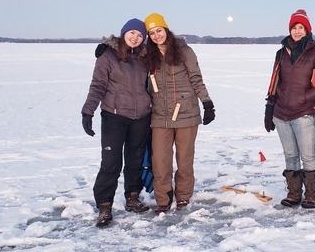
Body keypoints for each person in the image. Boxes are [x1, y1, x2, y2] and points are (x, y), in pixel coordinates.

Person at [81, 18, 152, 227]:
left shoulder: (145, 57)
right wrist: (88, 112)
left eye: (140, 35)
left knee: (135, 160)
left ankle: (132, 197)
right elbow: (97, 86)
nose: (135, 37)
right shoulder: (108, 56)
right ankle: (104, 206)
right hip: (114, 116)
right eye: (132, 33)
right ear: (124, 33)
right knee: (111, 162)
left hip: (141, 117)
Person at [142, 13, 215, 214]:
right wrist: (109, 47)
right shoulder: (147, 53)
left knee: (184, 158)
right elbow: (126, 50)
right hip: (159, 115)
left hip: (186, 113)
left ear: (166, 29)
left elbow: (196, 78)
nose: (156, 35)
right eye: (152, 33)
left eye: (159, 30)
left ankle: (183, 195)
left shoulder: (184, 51)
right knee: (160, 160)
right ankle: (163, 198)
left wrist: (207, 102)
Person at [265, 9, 315, 209]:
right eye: (294, 27)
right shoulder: (281, 53)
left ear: (307, 30)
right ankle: (294, 193)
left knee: (308, 155)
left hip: (304, 114)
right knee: (290, 155)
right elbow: (275, 82)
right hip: (281, 114)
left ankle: (311, 195)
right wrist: (269, 108)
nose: (297, 31)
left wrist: (303, 97)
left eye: (301, 27)